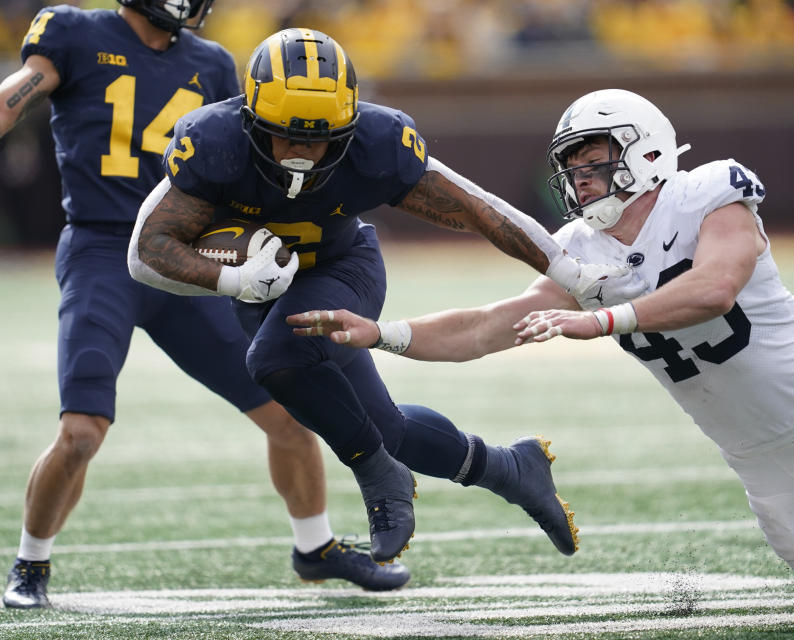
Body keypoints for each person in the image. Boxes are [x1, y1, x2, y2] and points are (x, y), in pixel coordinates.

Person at [290, 88, 794, 608]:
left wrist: (604, 321)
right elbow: (492, 323)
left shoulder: (709, 191)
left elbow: (717, 287)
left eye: (593, 160)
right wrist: (386, 334)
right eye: (572, 168)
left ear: (644, 150)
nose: (581, 179)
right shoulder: (582, 253)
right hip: (765, 461)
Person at [126, 28, 642, 565]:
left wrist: (572, 273)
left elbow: (477, 208)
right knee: (385, 427)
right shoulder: (215, 142)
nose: (302, 152)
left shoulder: (377, 143)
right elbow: (145, 253)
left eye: (319, 137)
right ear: (250, 120)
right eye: (286, 135)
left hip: (343, 267)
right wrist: (232, 280)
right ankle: (512, 470)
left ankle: (377, 476)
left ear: (348, 126)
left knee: (276, 360)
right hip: (261, 291)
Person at [0, 2, 410, 609]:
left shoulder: (214, 62)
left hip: (195, 258)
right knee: (82, 430)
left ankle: (314, 548)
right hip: (102, 250)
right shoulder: (74, 31)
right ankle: (30, 564)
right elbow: (15, 95)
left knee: (287, 405)